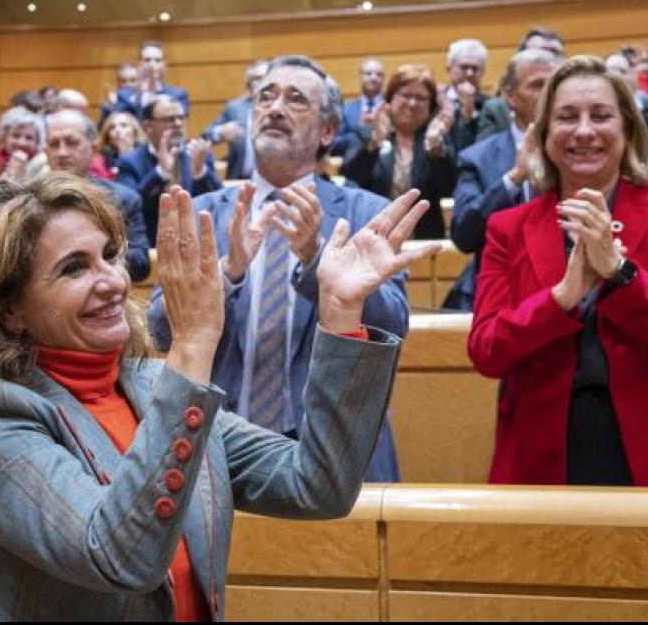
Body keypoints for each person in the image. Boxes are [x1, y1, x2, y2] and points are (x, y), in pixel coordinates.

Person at [0, 175, 433, 620]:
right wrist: (195, 341)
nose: (109, 280)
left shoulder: (154, 386)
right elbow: (118, 557)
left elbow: (319, 486)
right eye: (73, 268)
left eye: (108, 255)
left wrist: (339, 315)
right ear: (11, 309)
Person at [467, 56, 648, 488]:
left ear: (628, 130)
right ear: (543, 135)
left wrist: (621, 274)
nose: (584, 131)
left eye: (601, 116)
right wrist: (561, 297)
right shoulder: (507, 227)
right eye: (566, 117)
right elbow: (487, 351)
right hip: (543, 448)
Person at [149, 55, 431, 483]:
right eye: (265, 97)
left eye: (295, 99)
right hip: (217, 448)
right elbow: (159, 330)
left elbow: (391, 329)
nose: (275, 108)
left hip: (332, 453)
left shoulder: (364, 213)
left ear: (328, 131)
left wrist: (317, 259)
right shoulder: (203, 214)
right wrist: (227, 273)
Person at [444, 48, 562, 311]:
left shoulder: (580, 150)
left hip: (568, 293)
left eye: (554, 86)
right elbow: (464, 235)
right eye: (537, 86)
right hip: (499, 296)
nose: (548, 95)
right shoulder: (478, 158)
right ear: (509, 95)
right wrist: (514, 178)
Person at [340, 63, 457, 239]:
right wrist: (374, 142)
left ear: (431, 106)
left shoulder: (437, 139)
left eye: (421, 98)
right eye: (406, 95)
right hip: (372, 236)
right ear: (390, 98)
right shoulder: (367, 133)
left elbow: (449, 189)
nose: (412, 103)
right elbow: (351, 177)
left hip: (423, 239)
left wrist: (436, 150)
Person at [45, 109, 152, 282]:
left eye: (72, 142)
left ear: (93, 148)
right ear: (46, 151)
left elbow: (141, 263)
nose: (62, 152)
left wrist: (86, 263)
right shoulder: (29, 200)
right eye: (54, 144)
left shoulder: (124, 199)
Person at [116, 95, 221, 244]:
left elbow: (219, 203)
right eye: (169, 119)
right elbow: (128, 208)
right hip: (154, 244)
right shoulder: (130, 162)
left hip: (198, 241)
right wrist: (160, 173)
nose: (178, 124)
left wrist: (200, 173)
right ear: (148, 126)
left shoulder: (199, 154)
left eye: (181, 117)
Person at [475, 26, 567, 140]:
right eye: (539, 53)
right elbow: (486, 154)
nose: (548, 59)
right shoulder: (497, 109)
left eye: (556, 54)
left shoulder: (578, 103)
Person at [204, 59, 270, 180]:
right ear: (248, 83)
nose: (261, 82)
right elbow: (206, 135)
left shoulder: (280, 109)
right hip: (239, 179)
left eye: (266, 77)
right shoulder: (235, 107)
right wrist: (221, 132)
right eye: (256, 78)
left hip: (274, 180)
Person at [111, 41, 190, 117]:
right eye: (147, 60)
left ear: (165, 66)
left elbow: (178, 120)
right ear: (139, 65)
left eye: (157, 60)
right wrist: (140, 96)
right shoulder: (124, 96)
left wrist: (155, 95)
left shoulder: (178, 95)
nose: (152, 64)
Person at [440, 38, 491, 151]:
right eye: (464, 67)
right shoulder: (436, 100)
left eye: (475, 69)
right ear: (449, 69)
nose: (469, 73)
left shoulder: (490, 106)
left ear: (483, 72)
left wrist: (470, 113)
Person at [332, 57, 385, 155]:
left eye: (379, 74)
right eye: (368, 73)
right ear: (360, 77)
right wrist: (360, 132)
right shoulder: (347, 110)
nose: (374, 78)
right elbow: (334, 142)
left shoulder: (391, 107)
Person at [0, 106, 40, 183]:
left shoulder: (44, 168)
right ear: (4, 139)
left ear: (37, 142)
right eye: (16, 136)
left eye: (29, 138)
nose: (22, 143)